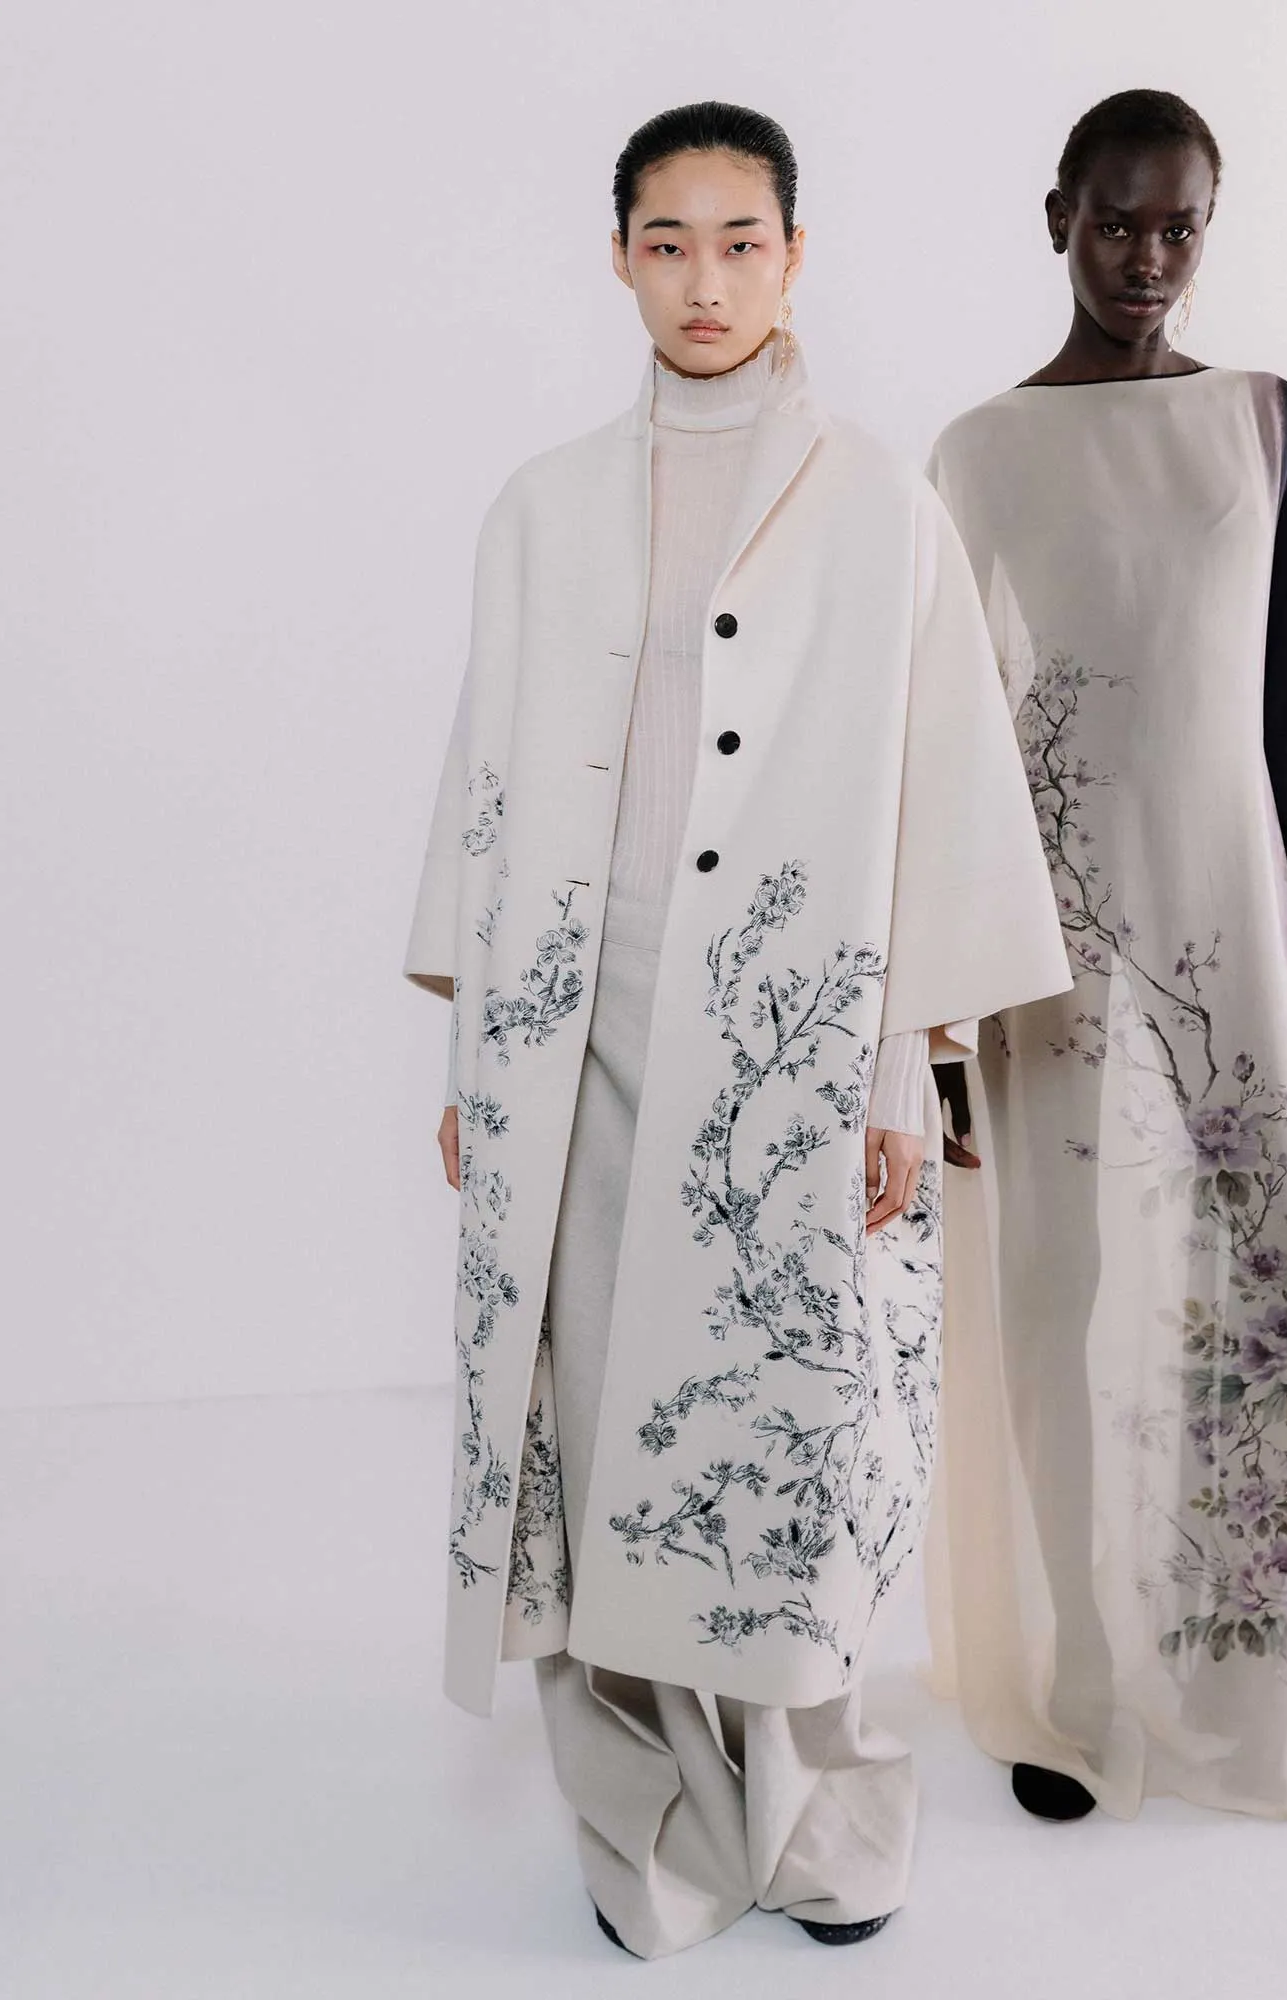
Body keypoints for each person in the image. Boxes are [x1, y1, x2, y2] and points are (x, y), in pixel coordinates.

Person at [403, 101, 1069, 1959]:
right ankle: (648, 1829)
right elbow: (486, 788)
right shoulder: (541, 507)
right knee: (594, 1416)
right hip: (576, 1032)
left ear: (795, 255)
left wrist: (899, 1063)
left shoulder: (882, 505)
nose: (705, 281)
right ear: (619, 256)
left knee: (792, 1430)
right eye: (668, 242)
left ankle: (822, 1819)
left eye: (741, 241)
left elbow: (940, 794)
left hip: (789, 1035)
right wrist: (477, 1065)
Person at [926, 88, 1287, 1826]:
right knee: (1059, 1302)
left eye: (1179, 227)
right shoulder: (978, 452)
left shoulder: (1262, 423)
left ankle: (1278, 1714)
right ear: (1056, 215)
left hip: (1232, 927)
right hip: (1048, 944)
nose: (1148, 258)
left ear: (1210, 228)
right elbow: (949, 748)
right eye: (1117, 221)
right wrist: (939, 1021)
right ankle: (1067, 1700)